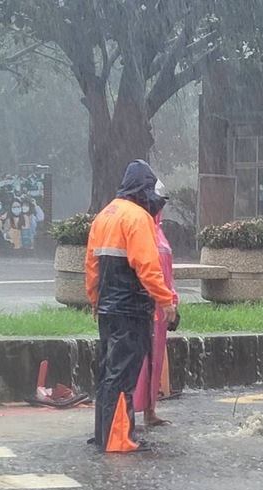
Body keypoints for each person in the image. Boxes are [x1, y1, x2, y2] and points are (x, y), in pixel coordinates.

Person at [85, 159, 177, 453]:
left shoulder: (104, 215)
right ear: (144, 188)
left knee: (107, 372)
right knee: (123, 375)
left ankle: (104, 434)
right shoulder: (137, 218)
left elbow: (92, 267)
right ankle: (119, 439)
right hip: (131, 309)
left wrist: (95, 300)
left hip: (109, 309)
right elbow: (148, 267)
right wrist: (166, 301)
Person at [132, 211, 179, 427]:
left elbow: (167, 273)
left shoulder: (159, 232)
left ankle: (150, 410)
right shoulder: (141, 229)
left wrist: (173, 302)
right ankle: (130, 411)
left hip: (161, 306)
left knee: (155, 360)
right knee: (139, 361)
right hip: (144, 304)